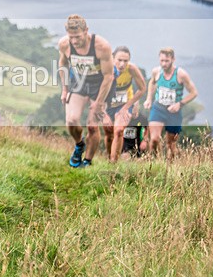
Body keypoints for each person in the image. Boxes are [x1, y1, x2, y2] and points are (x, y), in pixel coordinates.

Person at [58, 15, 114, 168]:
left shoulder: (101, 46)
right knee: (71, 120)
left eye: (77, 37)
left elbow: (109, 76)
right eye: (71, 37)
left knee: (92, 126)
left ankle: (87, 161)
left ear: (86, 31)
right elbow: (62, 63)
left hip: (100, 85)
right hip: (79, 83)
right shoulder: (64, 44)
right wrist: (65, 89)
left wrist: (99, 102)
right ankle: (79, 145)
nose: (74, 41)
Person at [144, 47, 198, 159]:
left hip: (174, 111)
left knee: (171, 144)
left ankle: (170, 167)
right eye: (161, 61)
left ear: (173, 59)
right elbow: (152, 83)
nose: (163, 64)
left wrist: (180, 104)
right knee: (154, 139)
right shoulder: (156, 71)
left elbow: (194, 93)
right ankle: (154, 163)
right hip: (158, 108)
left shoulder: (181, 74)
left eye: (166, 61)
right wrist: (149, 98)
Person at [102, 46, 147, 162]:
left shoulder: (131, 69)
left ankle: (113, 163)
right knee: (109, 134)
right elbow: (95, 94)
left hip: (124, 104)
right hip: (107, 105)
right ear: (112, 58)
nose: (122, 64)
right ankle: (109, 157)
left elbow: (142, 88)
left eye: (125, 61)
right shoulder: (104, 69)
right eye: (119, 60)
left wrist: (128, 106)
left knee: (119, 130)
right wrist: (103, 113)